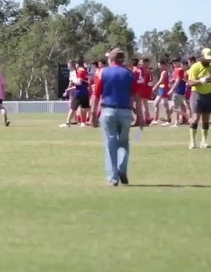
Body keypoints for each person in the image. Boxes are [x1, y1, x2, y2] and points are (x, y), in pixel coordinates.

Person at [90, 48, 143, 186]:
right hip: (126, 111)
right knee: (124, 142)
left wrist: (93, 115)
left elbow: (96, 95)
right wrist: (141, 116)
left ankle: (113, 177)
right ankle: (122, 169)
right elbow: (136, 96)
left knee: (111, 143)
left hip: (108, 110)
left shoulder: (103, 73)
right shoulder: (129, 73)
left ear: (111, 59)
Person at [186, 48, 211, 149]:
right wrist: (202, 80)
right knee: (196, 117)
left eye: (209, 59)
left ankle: (204, 141)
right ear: (201, 57)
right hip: (197, 94)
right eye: (206, 59)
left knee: (206, 119)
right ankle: (192, 141)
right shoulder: (195, 67)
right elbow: (190, 82)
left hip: (208, 94)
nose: (208, 61)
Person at [61, 59, 90, 127]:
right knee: (85, 108)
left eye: (76, 64)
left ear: (78, 64)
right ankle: (83, 122)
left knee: (73, 108)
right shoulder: (84, 71)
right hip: (84, 92)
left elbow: (79, 82)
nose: (75, 65)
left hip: (79, 93)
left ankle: (68, 123)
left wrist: (73, 80)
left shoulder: (80, 71)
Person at [168, 58, 187, 127]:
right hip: (180, 91)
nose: (174, 64)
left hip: (178, 91)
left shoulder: (179, 70)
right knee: (177, 106)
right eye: (173, 63)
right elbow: (179, 79)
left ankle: (180, 119)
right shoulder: (178, 70)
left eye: (175, 62)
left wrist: (172, 89)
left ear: (179, 62)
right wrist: (172, 80)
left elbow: (178, 80)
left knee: (174, 107)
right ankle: (180, 119)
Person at [151, 60, 172, 126]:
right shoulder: (163, 72)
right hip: (161, 89)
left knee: (165, 105)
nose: (159, 66)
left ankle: (168, 120)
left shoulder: (164, 72)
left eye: (160, 65)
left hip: (164, 89)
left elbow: (161, 81)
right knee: (156, 103)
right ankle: (155, 119)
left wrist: (154, 87)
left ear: (163, 65)